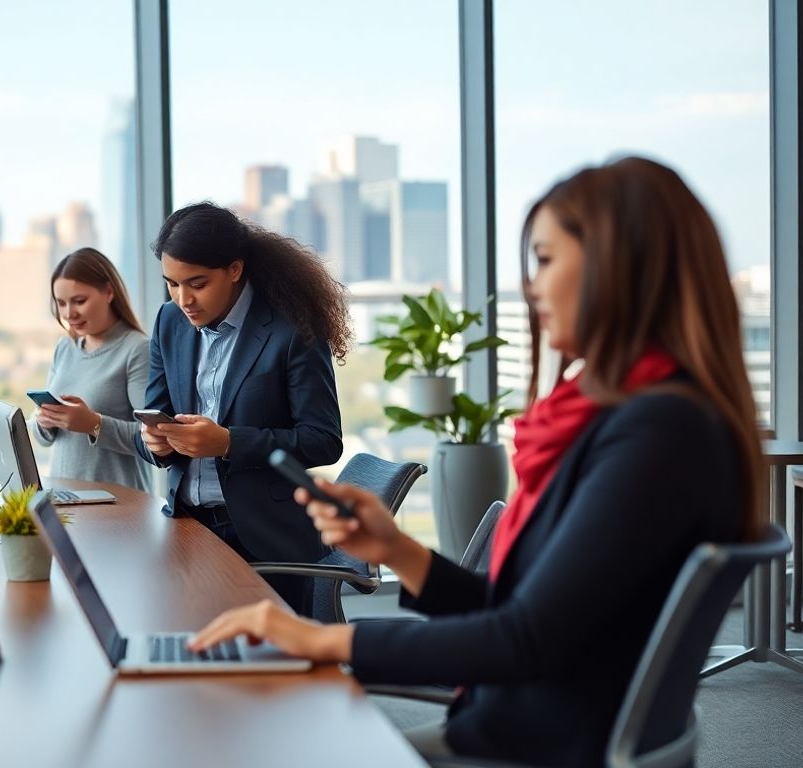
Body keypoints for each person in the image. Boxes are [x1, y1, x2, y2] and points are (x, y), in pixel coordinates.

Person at [189, 157, 763, 767]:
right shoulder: (633, 421)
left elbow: (522, 641)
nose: (531, 285)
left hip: (532, 748)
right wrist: (397, 551)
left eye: (544, 259)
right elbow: (523, 615)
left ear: (621, 265)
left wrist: (323, 639)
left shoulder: (657, 434)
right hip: (517, 730)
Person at [134, 202, 352, 613]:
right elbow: (152, 422)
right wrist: (157, 443)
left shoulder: (291, 329)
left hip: (265, 541)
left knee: (262, 672)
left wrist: (229, 442)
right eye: (172, 284)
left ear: (234, 270)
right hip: (187, 530)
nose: (184, 299)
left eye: (197, 284)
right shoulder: (170, 323)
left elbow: (324, 442)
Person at [30, 247, 152, 492]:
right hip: (65, 499)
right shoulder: (64, 348)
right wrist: (44, 421)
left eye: (79, 301)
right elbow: (42, 436)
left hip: (117, 504)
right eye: (61, 303)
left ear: (109, 292)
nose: (68, 314)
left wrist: (93, 424)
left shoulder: (137, 350)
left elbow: (152, 440)